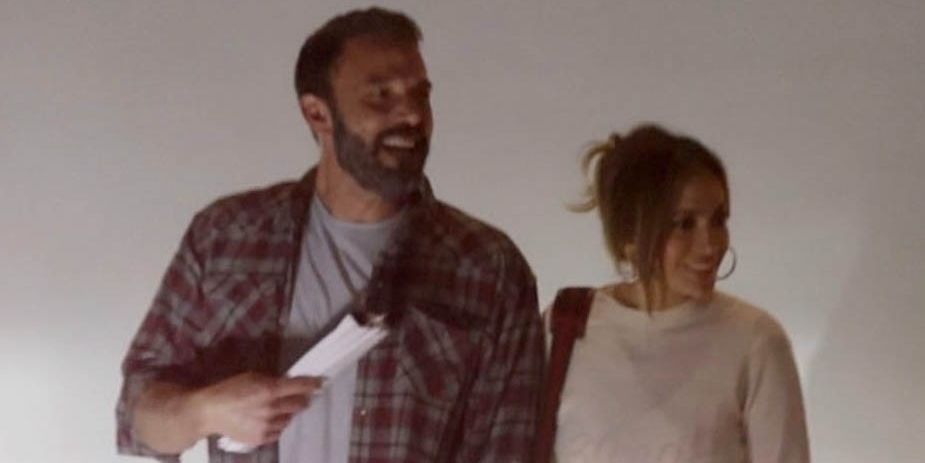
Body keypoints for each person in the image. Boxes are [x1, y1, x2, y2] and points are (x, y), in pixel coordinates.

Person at [115, 7, 544, 463]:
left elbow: (507, 449)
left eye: (420, 95)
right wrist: (203, 411)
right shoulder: (224, 239)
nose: (411, 115)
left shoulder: (489, 269)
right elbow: (135, 418)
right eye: (380, 96)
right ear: (318, 113)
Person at [546, 125, 809, 462]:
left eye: (718, 220)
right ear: (630, 235)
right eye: (685, 224)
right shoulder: (564, 327)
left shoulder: (755, 340)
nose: (710, 245)